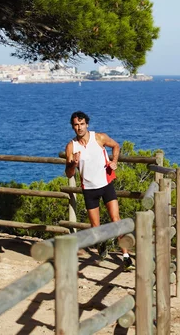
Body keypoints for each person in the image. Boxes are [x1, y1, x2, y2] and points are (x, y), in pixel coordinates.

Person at [65, 111, 134, 271]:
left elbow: (116, 145)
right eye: (76, 125)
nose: (79, 127)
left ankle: (126, 257)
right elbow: (69, 174)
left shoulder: (99, 138)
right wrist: (73, 164)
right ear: (72, 127)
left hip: (106, 186)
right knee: (96, 227)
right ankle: (102, 244)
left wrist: (114, 161)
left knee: (116, 220)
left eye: (82, 124)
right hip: (89, 190)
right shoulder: (71, 147)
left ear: (87, 124)